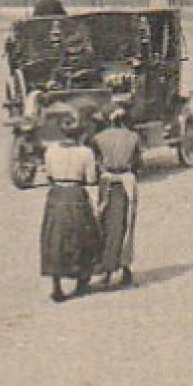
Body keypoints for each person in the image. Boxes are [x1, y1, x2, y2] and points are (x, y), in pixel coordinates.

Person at [39, 113, 101, 302]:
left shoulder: (51, 151)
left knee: (54, 238)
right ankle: (82, 280)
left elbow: (48, 175)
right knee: (83, 235)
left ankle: (56, 285)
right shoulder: (86, 153)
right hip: (75, 193)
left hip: (57, 194)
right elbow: (91, 179)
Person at [91, 106, 142, 290]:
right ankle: (125, 268)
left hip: (107, 182)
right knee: (127, 225)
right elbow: (138, 163)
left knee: (105, 223)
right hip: (126, 181)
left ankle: (106, 269)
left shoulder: (99, 138)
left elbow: (95, 162)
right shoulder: (133, 138)